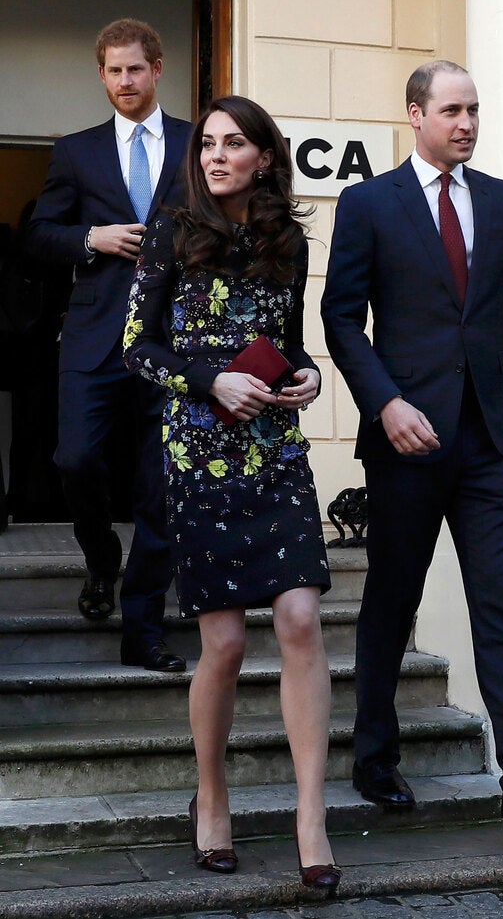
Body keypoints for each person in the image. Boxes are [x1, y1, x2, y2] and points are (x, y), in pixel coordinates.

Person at [321, 60, 503, 833]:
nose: (467, 123)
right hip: (407, 440)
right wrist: (384, 405)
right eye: (452, 110)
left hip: (486, 441)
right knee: (391, 603)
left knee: (498, 608)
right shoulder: (368, 203)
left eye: (474, 110)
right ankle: (375, 760)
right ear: (415, 114)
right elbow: (341, 318)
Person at [123, 95, 340, 889]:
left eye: (233, 144)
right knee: (222, 642)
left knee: (300, 617)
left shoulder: (287, 240)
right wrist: (211, 378)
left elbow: (290, 345)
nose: (215, 155)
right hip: (201, 457)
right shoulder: (170, 234)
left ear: (262, 158)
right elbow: (136, 350)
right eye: (207, 144)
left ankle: (309, 819)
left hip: (275, 453)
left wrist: (307, 376)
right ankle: (210, 798)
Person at [28, 19, 192, 671]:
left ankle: (144, 627)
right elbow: (38, 235)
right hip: (94, 336)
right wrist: (88, 238)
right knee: (74, 459)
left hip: (174, 340)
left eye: (135, 69)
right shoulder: (75, 151)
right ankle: (102, 559)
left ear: (157, 69)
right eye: (113, 71)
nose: (125, 81)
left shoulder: (193, 144)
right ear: (102, 76)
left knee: (160, 490)